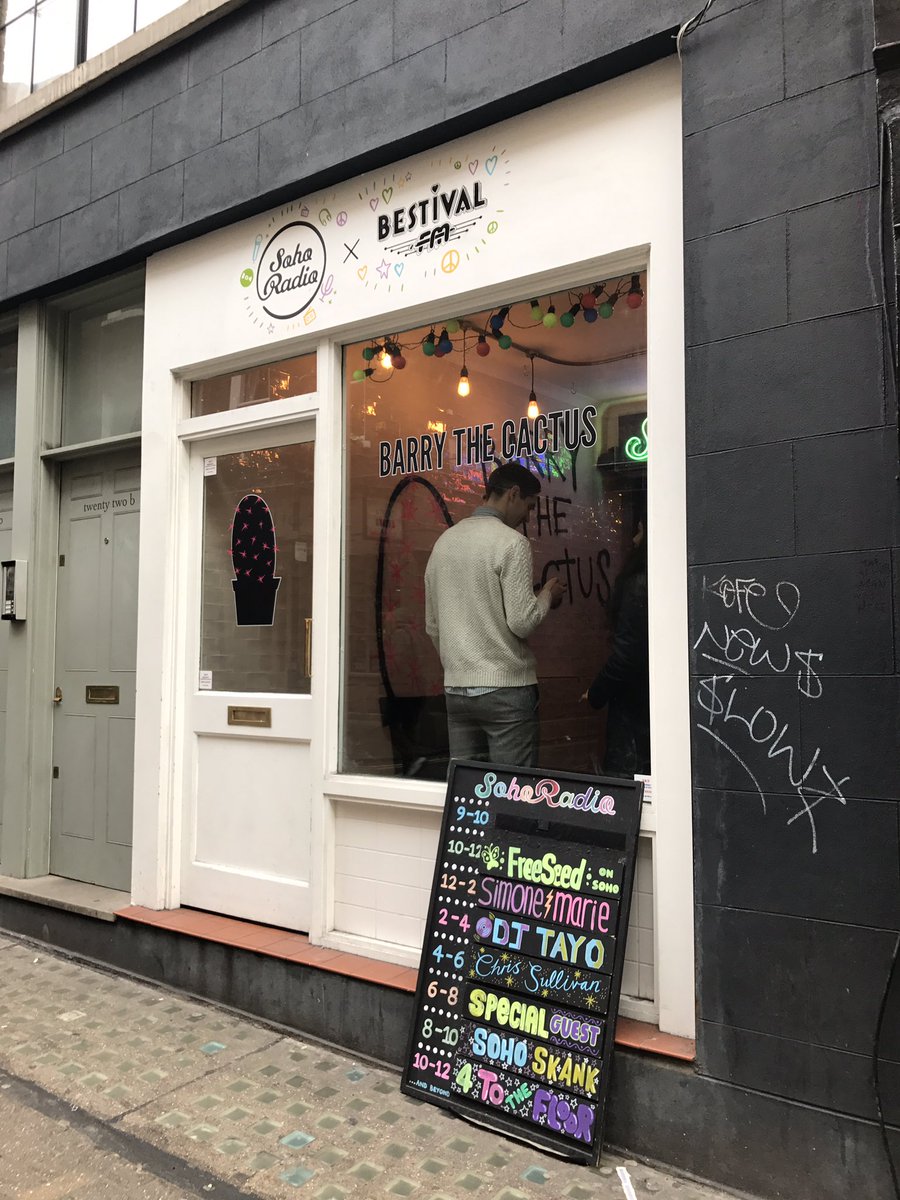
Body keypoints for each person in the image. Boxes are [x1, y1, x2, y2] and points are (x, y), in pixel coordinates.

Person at [424, 461, 565, 767]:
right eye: (529, 506)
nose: (528, 517)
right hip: (506, 690)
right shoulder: (512, 543)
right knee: (512, 788)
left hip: (456, 689)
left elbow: (433, 626)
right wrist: (547, 596)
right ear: (513, 494)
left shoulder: (443, 543)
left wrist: (460, 664)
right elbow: (522, 621)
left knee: (467, 786)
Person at [582, 518, 650, 776]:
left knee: (630, 782)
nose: (634, 540)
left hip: (634, 710)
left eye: (640, 532)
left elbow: (626, 655)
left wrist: (596, 693)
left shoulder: (638, 584)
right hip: (650, 705)